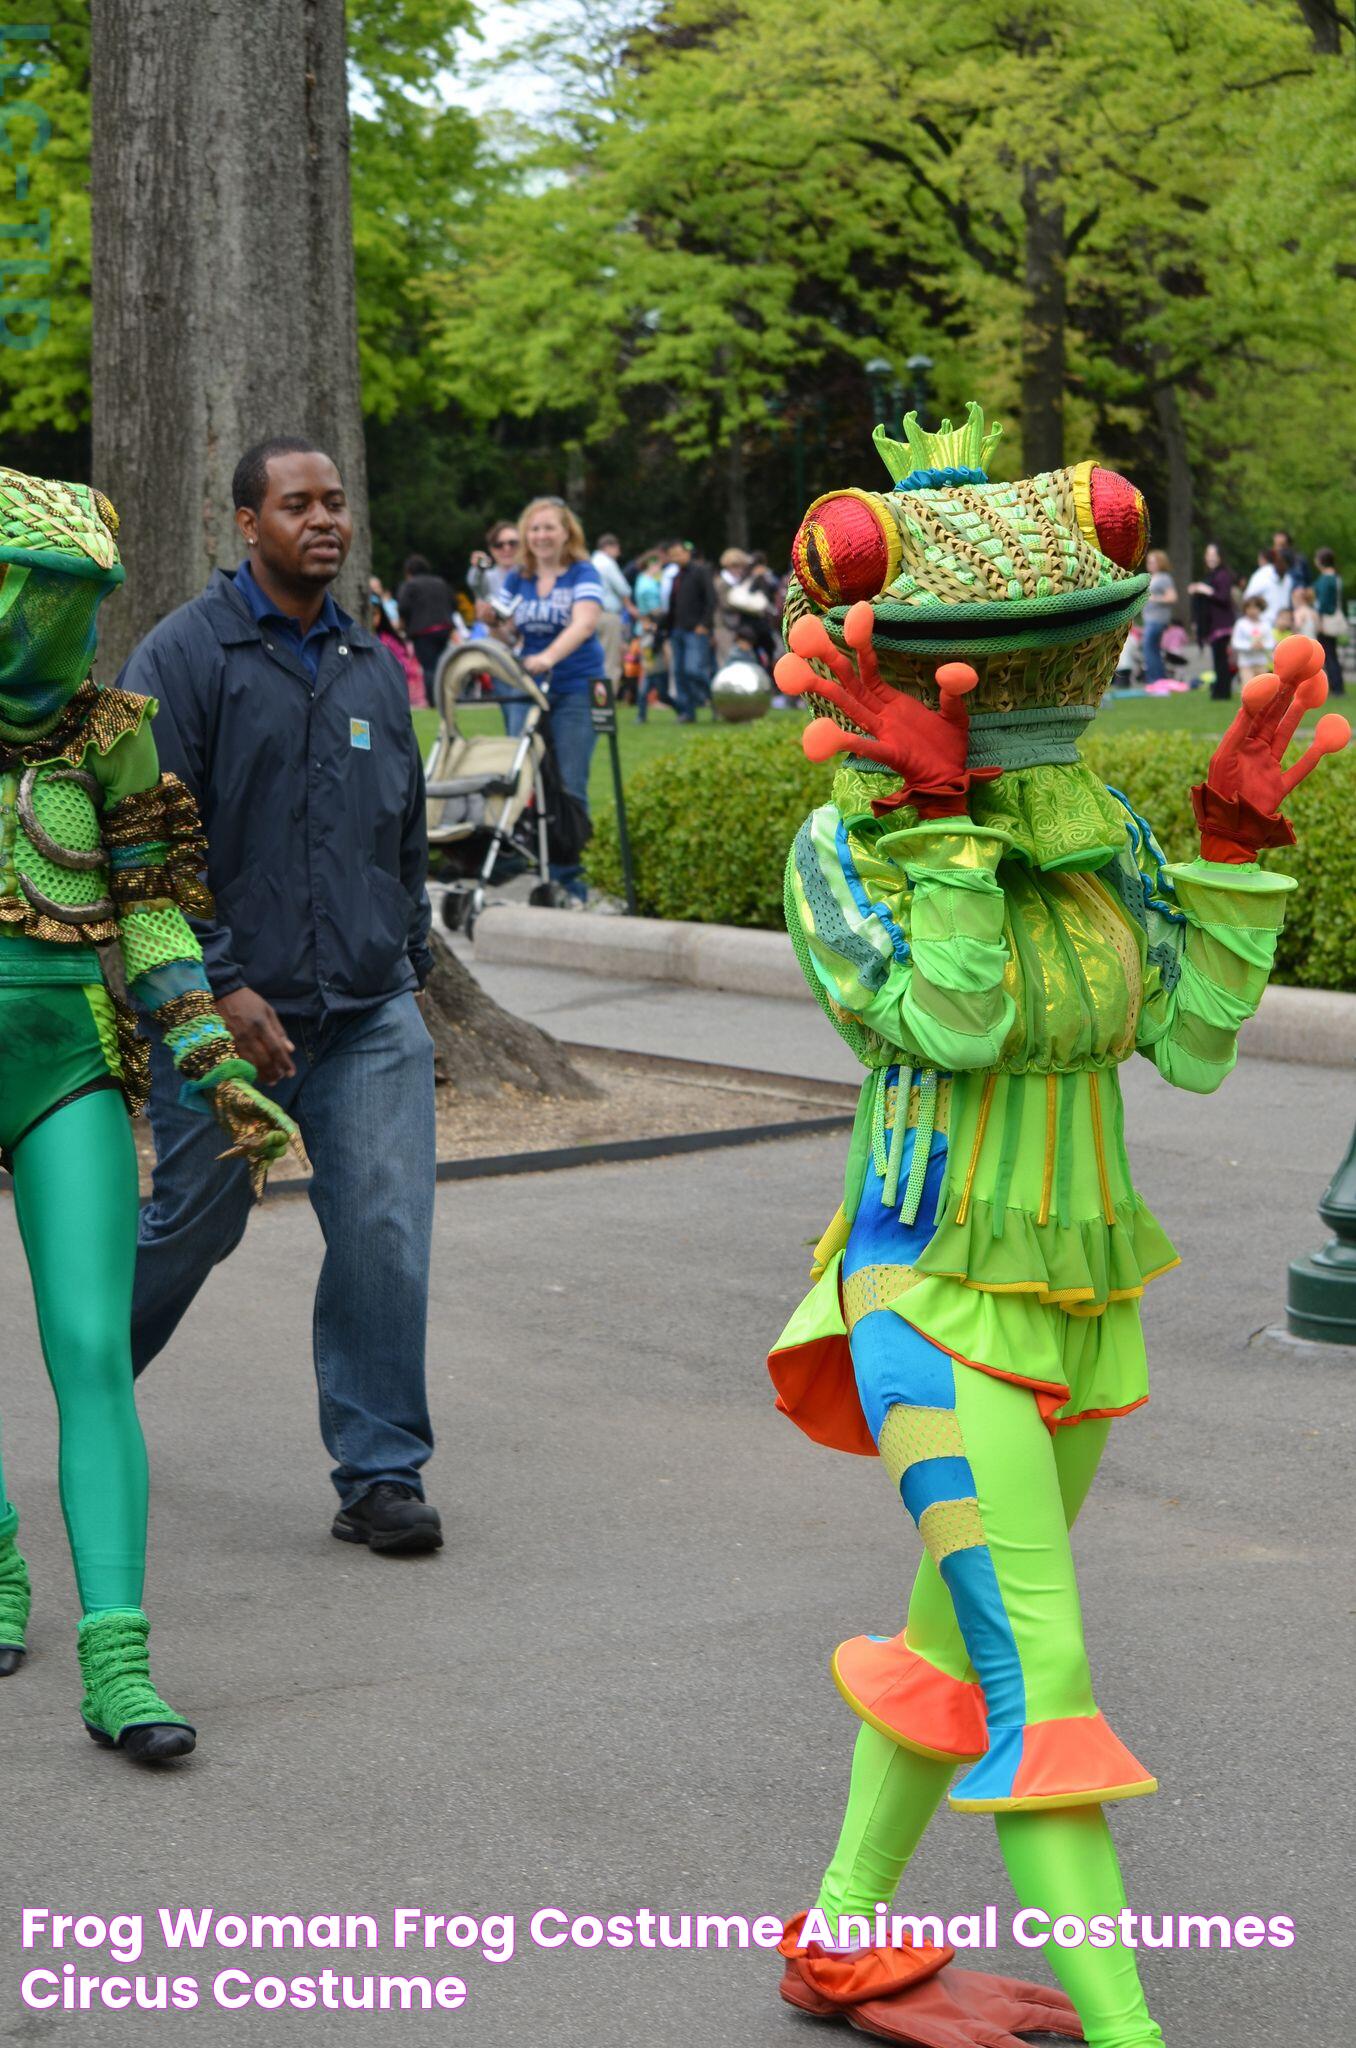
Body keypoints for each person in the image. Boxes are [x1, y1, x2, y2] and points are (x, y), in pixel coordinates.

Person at [766, 401, 1350, 2047]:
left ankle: (839, 1936)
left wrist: (1230, 848)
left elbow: (1196, 1047)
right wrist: (944, 837)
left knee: (957, 1633)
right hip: (926, 1298)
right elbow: (944, 1026)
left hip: (1085, 1305)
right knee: (1042, 1675)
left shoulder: (1103, 837)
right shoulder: (842, 846)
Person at [0, 466, 299, 1760]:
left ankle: (119, 1658)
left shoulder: (114, 730)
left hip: (66, 1052)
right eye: (36, 593)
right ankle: (3, 1559)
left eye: (78, 601)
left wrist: (207, 1055)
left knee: (90, 1348)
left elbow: (155, 909)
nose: (52, 624)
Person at [117, 437, 444, 1559]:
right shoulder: (187, 652)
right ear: (245, 522)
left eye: (337, 502)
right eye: (297, 503)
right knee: (190, 1228)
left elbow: (400, 829)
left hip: (366, 1010)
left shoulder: (367, 659)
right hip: (221, 1021)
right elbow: (146, 843)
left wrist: (407, 953)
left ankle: (382, 1471)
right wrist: (220, 983)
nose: (325, 520)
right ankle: (91, 1388)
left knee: (385, 1231)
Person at [501, 497, 606, 900]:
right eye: (535, 528)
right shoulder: (518, 577)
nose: (542, 535)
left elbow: (584, 624)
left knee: (569, 779)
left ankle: (568, 870)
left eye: (549, 528)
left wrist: (546, 657)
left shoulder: (583, 572)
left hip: (577, 684)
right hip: (527, 686)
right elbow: (499, 625)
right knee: (523, 775)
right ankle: (530, 856)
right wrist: (492, 629)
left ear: (567, 533)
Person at [666, 539, 718, 721]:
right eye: (672, 555)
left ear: (687, 553)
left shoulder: (701, 571)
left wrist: (704, 625)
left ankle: (715, 701)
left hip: (695, 631)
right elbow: (673, 606)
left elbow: (712, 600)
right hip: (677, 631)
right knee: (680, 674)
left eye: (678, 553)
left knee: (694, 670)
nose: (675, 557)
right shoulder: (676, 576)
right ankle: (687, 713)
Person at [396, 552, 455, 709]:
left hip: (423, 631)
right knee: (442, 666)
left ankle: (434, 701)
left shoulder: (410, 585)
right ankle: (448, 698)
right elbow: (452, 602)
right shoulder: (440, 582)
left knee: (429, 668)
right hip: (444, 628)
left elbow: (403, 607)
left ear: (408, 572)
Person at [1187, 541, 1236, 700]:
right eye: (1208, 555)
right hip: (1214, 624)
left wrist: (1204, 589)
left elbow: (1223, 597)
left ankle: (1222, 692)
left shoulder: (1223, 575)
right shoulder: (1212, 575)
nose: (1210, 558)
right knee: (1218, 659)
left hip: (1222, 624)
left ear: (1220, 557)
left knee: (1221, 660)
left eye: (1214, 555)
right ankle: (1220, 691)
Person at [590, 532, 634, 691]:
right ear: (608, 547)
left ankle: (593, 700)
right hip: (608, 615)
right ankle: (605, 705)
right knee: (610, 661)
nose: (619, 552)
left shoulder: (590, 562)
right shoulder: (607, 563)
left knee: (594, 659)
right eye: (617, 548)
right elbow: (623, 589)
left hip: (589, 616)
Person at [632, 549, 670, 722]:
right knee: (649, 670)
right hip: (651, 633)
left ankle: (650, 708)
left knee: (654, 670)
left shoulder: (643, 580)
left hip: (648, 632)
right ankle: (642, 711)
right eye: (658, 564)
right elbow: (655, 610)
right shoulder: (648, 584)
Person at [1313, 546, 1347, 696]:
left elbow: (1324, 603)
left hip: (1326, 620)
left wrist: (1319, 621)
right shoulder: (1336, 577)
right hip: (1333, 618)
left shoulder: (1326, 579)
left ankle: (1335, 686)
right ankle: (1337, 685)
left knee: (1328, 654)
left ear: (1321, 561)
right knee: (1332, 653)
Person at [1140, 548, 1176, 684]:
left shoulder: (1164, 578)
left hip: (1157, 620)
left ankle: (1154, 679)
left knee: (1148, 648)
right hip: (1150, 620)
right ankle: (1160, 679)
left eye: (1152, 562)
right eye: (1148, 562)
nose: (1149, 564)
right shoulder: (1152, 577)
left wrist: (1153, 598)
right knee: (1153, 649)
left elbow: (1172, 597)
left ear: (1160, 563)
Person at [1231, 593, 1275, 684]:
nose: (1252, 611)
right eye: (1249, 608)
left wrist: (1263, 645)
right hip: (1246, 662)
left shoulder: (1265, 624)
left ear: (1260, 609)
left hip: (1261, 661)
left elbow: (1271, 641)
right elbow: (1235, 642)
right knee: (1248, 687)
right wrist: (1250, 646)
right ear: (1245, 609)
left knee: (1261, 688)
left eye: (1255, 608)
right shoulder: (1241, 624)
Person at [1244, 544, 1292, 626]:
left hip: (1265, 622)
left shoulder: (1262, 574)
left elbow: (1248, 597)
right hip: (1281, 623)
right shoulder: (1288, 578)